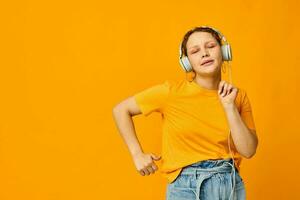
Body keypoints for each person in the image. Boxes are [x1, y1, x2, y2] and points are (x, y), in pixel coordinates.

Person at [112, 26, 258, 200]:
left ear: (224, 51)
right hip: (187, 186)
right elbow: (121, 110)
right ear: (187, 62)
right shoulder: (170, 92)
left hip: (230, 184)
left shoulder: (237, 97)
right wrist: (137, 154)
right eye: (195, 51)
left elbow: (248, 151)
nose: (204, 53)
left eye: (210, 46)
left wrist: (229, 107)